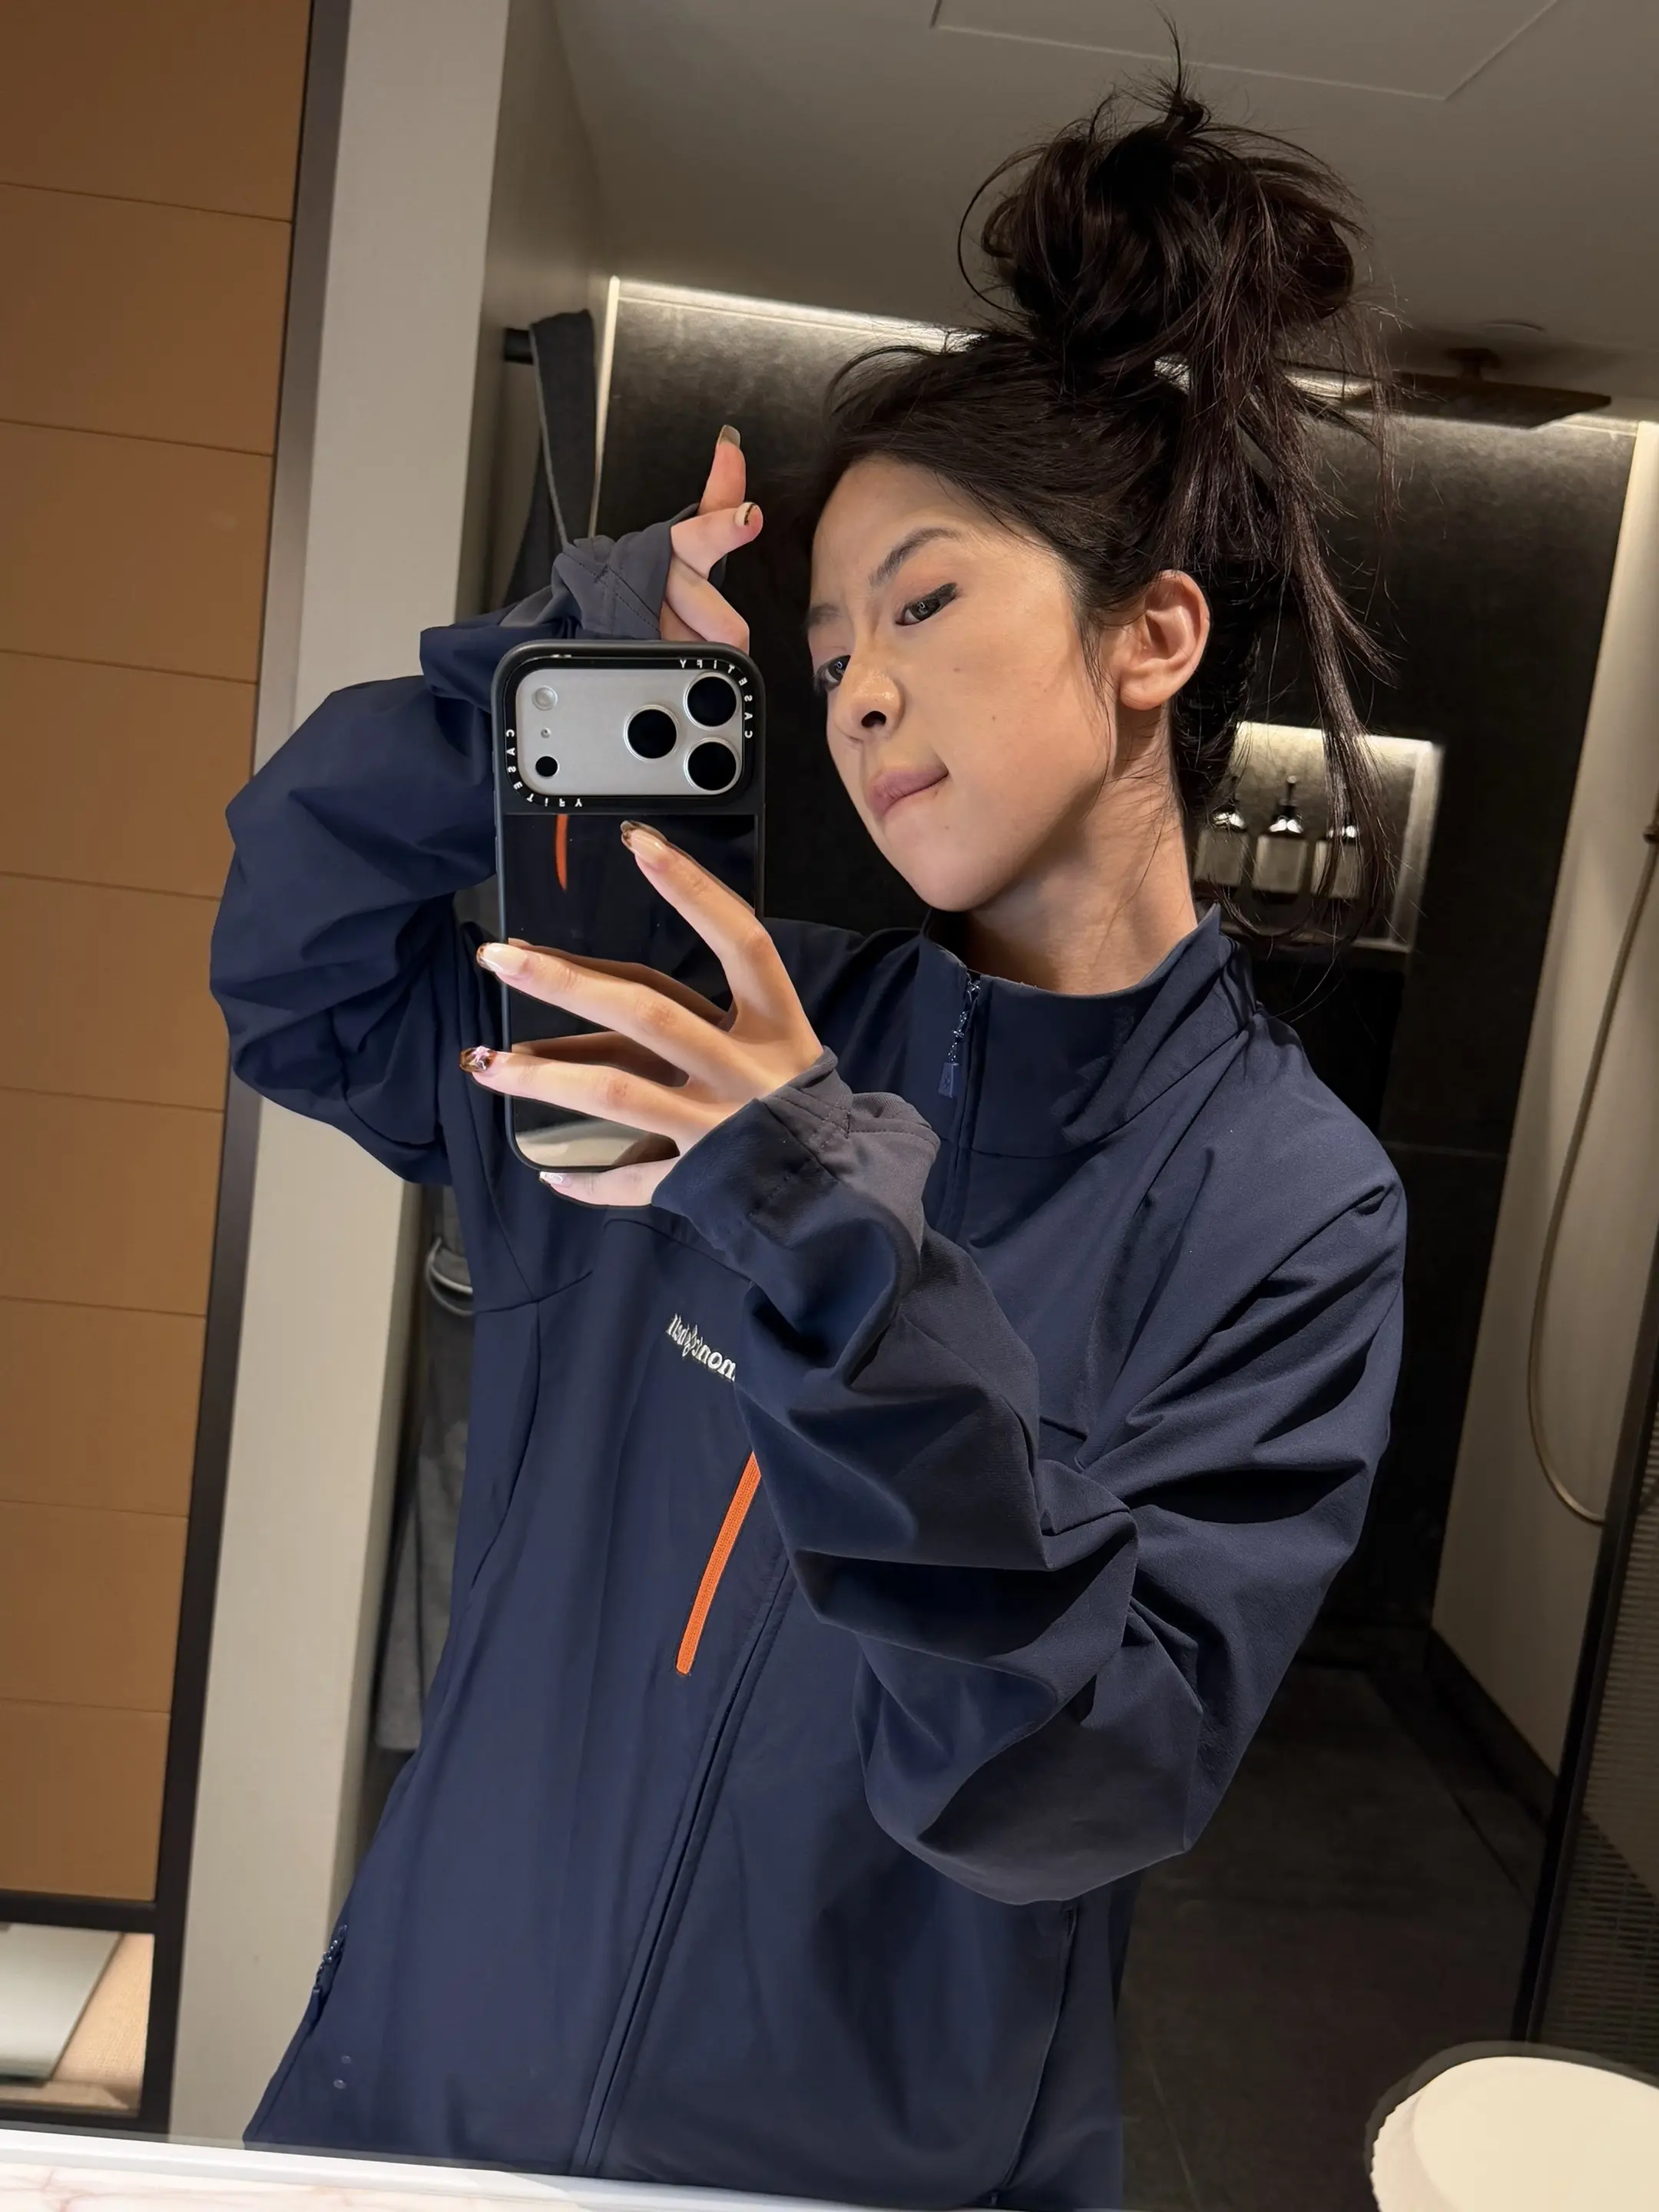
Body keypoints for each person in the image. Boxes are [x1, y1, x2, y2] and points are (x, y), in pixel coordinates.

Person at [213, 76, 1405, 2212]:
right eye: (828, 642)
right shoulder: (705, 1019)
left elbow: (1071, 1780)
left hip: (855, 2174)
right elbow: (301, 973)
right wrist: (546, 683)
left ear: (1150, 636)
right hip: (430, 2112)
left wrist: (830, 1239)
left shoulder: (1287, 1205)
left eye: (923, 609)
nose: (851, 694)